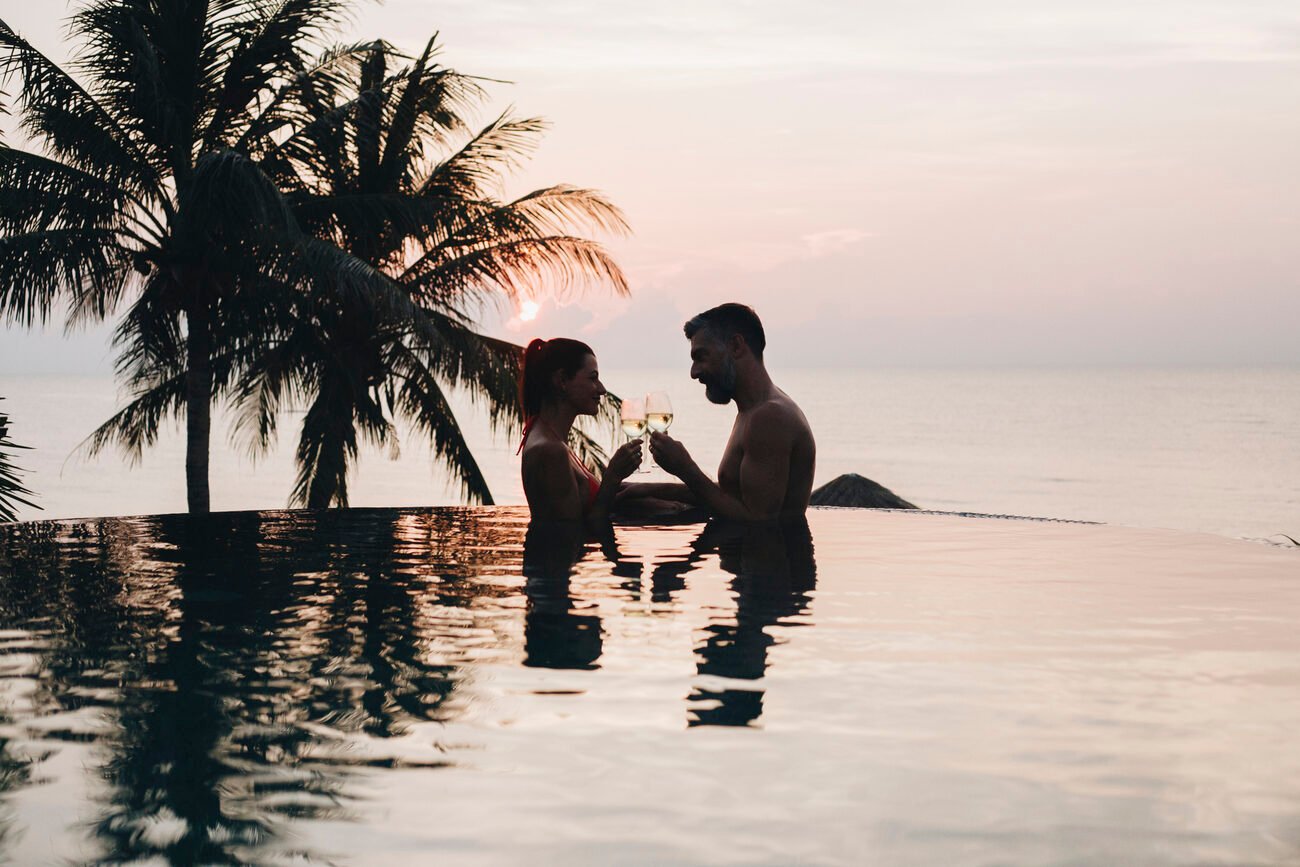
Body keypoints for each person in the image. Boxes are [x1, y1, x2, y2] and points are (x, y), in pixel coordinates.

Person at [648, 303, 816, 521]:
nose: (694, 372)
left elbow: (759, 522)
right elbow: (738, 494)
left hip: (768, 555)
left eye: (701, 357)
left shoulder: (770, 417)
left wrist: (685, 468)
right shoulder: (753, 411)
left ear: (736, 346)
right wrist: (646, 489)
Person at [519, 338, 642, 525]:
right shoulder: (550, 450)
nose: (602, 389)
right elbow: (571, 532)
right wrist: (613, 475)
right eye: (593, 378)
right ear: (562, 381)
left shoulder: (552, 438)